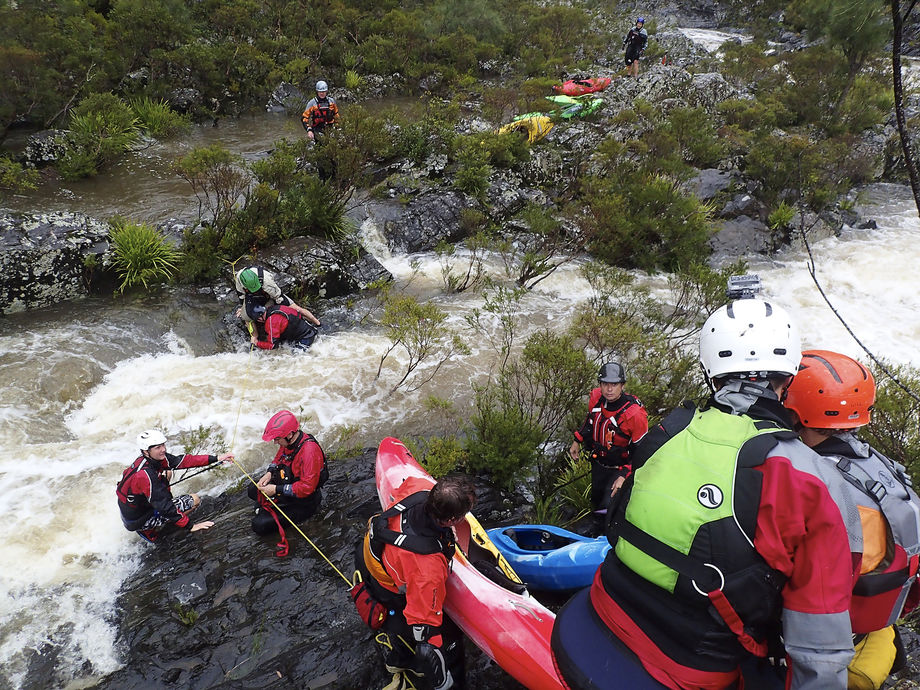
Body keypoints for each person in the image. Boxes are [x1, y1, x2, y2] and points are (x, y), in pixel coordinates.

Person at [552, 297, 855, 689]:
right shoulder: (807, 476)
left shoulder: (669, 430)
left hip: (603, 602)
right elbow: (821, 641)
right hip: (690, 662)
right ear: (789, 376)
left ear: (712, 370)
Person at [784, 350, 920, 690]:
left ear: (794, 410)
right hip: (875, 629)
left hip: (833, 650)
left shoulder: (813, 481)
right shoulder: (882, 468)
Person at [355, 475, 475, 690]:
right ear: (450, 519)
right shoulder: (427, 568)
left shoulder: (419, 488)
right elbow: (425, 631)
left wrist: (445, 530)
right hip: (389, 586)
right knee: (449, 637)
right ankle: (404, 659)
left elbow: (406, 481)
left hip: (369, 554)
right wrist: (442, 679)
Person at [117, 429, 233, 542]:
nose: (163, 449)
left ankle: (156, 522)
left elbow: (183, 461)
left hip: (134, 511)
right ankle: (151, 529)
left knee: (168, 472)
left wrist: (217, 458)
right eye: (158, 447)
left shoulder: (147, 460)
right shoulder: (145, 476)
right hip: (140, 520)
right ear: (146, 451)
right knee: (195, 500)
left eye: (163, 445)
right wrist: (190, 526)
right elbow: (165, 507)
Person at [569, 361, 648, 514]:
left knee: (608, 510)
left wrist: (624, 475)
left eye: (614, 384)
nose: (609, 389)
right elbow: (590, 422)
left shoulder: (634, 415)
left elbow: (642, 452)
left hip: (620, 469)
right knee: (596, 501)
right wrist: (577, 439)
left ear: (622, 385)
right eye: (605, 384)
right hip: (599, 464)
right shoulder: (596, 398)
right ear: (600, 384)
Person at [249, 410, 327, 536]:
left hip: (304, 503)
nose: (275, 442)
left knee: (259, 525)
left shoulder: (309, 452)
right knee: (253, 489)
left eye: (277, 439)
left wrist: (276, 489)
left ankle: (270, 509)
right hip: (288, 485)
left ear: (290, 434)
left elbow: (307, 488)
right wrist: (269, 473)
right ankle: (269, 507)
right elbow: (279, 457)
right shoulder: (289, 442)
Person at [233, 266, 312, 327]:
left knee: (297, 309)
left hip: (270, 292)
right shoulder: (239, 280)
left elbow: (279, 297)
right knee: (247, 316)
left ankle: (316, 322)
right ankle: (254, 338)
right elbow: (242, 295)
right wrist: (243, 308)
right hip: (252, 296)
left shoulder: (267, 282)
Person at [249, 303, 321, 350]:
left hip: (305, 337)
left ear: (260, 318)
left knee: (295, 358)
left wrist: (257, 343)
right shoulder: (275, 308)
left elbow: (272, 346)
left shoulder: (271, 322)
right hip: (309, 329)